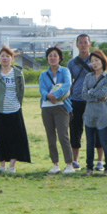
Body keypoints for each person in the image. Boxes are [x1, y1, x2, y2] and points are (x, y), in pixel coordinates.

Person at [0, 46, 31, 173]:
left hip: (14, 109)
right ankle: (2, 165)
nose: (5, 58)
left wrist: (17, 103)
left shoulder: (18, 73)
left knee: (14, 138)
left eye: (7, 56)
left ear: (12, 58)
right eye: (2, 56)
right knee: (0, 138)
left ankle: (12, 165)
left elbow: (21, 90)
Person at [67, 34, 103, 171]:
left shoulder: (96, 60)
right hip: (76, 99)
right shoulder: (72, 63)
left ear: (90, 44)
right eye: (80, 42)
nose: (83, 45)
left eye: (85, 42)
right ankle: (75, 160)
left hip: (94, 100)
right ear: (77, 45)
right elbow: (68, 81)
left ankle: (99, 161)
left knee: (97, 129)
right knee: (75, 130)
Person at [39, 46, 74, 174]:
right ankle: (55, 164)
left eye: (55, 55)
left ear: (59, 58)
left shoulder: (65, 71)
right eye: (50, 56)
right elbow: (42, 89)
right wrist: (48, 96)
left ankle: (69, 164)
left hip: (61, 107)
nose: (52, 58)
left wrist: (56, 95)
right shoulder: (43, 74)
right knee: (50, 136)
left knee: (63, 135)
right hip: (47, 107)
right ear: (47, 58)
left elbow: (67, 84)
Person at [81, 50, 107, 176]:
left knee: (104, 141)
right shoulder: (88, 77)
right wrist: (95, 95)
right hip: (89, 113)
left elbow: (103, 94)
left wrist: (91, 92)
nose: (94, 63)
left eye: (97, 60)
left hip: (103, 114)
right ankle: (89, 168)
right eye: (92, 61)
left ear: (103, 61)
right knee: (89, 142)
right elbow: (84, 94)